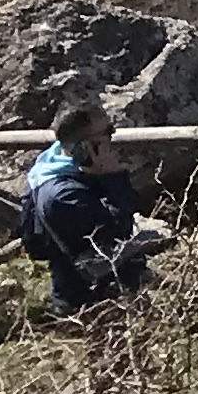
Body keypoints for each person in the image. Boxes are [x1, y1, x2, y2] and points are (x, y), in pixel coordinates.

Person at [19, 101, 162, 317]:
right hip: (91, 302)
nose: (113, 139)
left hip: (97, 289)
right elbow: (116, 232)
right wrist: (112, 176)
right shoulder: (64, 195)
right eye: (107, 133)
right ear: (85, 146)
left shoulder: (53, 165)